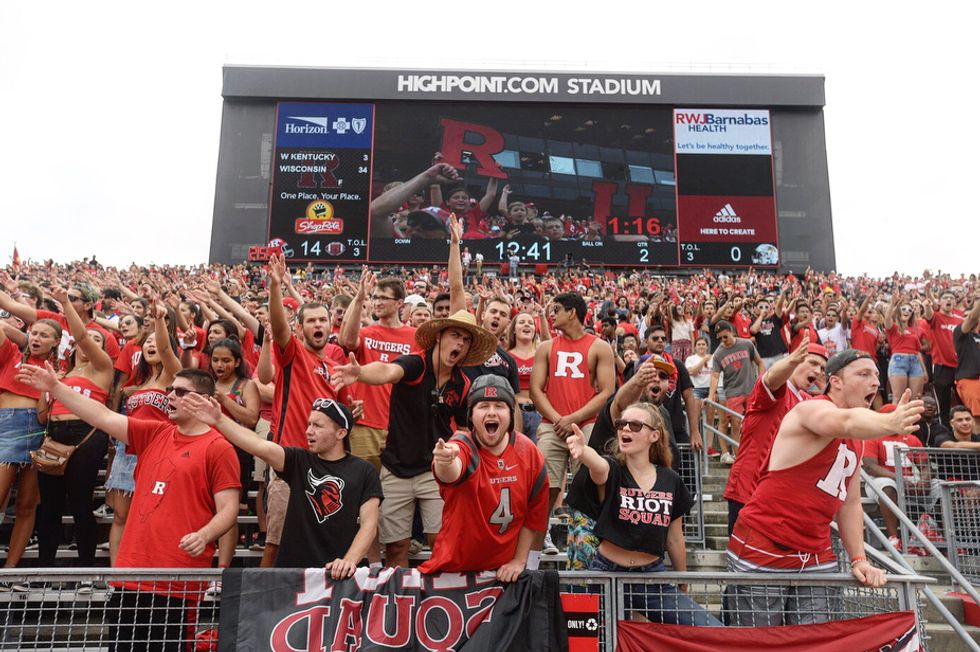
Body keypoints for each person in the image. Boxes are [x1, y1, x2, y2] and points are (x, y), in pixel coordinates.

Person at [17, 365, 239, 652]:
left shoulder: (218, 448)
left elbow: (229, 509)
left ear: (207, 401)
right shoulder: (155, 432)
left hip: (177, 580)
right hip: (130, 574)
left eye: (181, 392)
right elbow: (102, 415)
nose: (170, 396)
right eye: (169, 389)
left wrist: (205, 534)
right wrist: (57, 388)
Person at [726, 349, 922, 626]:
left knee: (816, 639)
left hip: (816, 551)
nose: (875, 382)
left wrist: (858, 558)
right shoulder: (811, 408)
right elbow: (845, 422)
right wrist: (889, 422)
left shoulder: (858, 439)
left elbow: (850, 502)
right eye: (863, 374)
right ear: (836, 381)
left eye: (877, 375)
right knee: (758, 641)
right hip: (766, 542)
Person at [331, 310, 497, 568]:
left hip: (435, 470)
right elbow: (387, 371)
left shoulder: (462, 384)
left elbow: (464, 428)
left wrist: (462, 453)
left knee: (440, 540)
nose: (460, 344)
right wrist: (360, 373)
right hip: (397, 467)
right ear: (439, 337)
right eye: (455, 336)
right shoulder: (416, 364)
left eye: (466, 340)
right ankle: (400, 602)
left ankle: (436, 601)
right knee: (396, 547)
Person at [185, 393, 382, 574]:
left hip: (335, 574)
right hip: (291, 574)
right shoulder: (299, 460)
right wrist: (219, 420)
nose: (308, 431)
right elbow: (260, 446)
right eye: (309, 424)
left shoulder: (364, 470)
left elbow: (369, 524)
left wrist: (348, 561)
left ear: (341, 433)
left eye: (318, 426)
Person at [566, 402, 721, 626]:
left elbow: (675, 538)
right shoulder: (613, 469)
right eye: (621, 424)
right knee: (598, 642)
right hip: (606, 573)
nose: (626, 429)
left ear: (654, 435)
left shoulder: (671, 480)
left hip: (652, 578)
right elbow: (598, 468)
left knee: (709, 628)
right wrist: (583, 451)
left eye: (636, 425)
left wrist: (682, 580)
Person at [263, 253, 352, 567]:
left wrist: (356, 409)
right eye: (311, 320)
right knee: (275, 544)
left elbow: (345, 413)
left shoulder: (336, 366)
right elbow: (277, 325)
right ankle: (261, 613)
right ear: (299, 328)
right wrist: (276, 287)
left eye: (322, 320)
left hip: (326, 470)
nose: (318, 324)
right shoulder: (293, 355)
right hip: (289, 463)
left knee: (324, 548)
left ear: (330, 326)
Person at [420, 375, 549, 580]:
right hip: (455, 570)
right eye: (483, 406)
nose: (491, 412)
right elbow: (453, 468)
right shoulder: (462, 444)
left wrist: (519, 560)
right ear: (471, 415)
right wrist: (445, 461)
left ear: (511, 414)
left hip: (501, 574)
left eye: (499, 405)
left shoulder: (530, 454)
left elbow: (533, 518)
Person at [35, 288, 113, 581]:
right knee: (50, 506)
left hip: (86, 435)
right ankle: (44, 568)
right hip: (54, 435)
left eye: (97, 340)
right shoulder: (61, 374)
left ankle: (85, 570)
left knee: (80, 503)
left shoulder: (102, 369)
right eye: (86, 340)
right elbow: (42, 416)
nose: (88, 343)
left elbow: (81, 336)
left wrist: (66, 303)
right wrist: (46, 389)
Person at [530, 292, 615, 561]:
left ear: (572, 312)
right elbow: (535, 390)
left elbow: (606, 393)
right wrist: (559, 419)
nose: (551, 314)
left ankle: (585, 545)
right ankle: (534, 547)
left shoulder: (599, 346)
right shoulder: (546, 347)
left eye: (556, 310)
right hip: (552, 424)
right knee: (544, 486)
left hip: (587, 424)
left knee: (587, 484)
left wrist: (573, 418)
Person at [723, 334, 828, 535]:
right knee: (743, 558)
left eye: (822, 368)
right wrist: (792, 360)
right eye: (812, 362)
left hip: (780, 495)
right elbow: (771, 379)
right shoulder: (779, 387)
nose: (817, 370)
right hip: (750, 489)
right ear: (794, 359)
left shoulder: (807, 400)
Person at [0, 310, 60, 580]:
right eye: (34, 333)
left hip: (38, 429)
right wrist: (22, 336)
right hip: (7, 425)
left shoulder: (57, 370)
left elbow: (46, 412)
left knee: (26, 505)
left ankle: (9, 572)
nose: (36, 338)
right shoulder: (12, 353)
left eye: (44, 335)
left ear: (56, 341)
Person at [862, 404, 928, 551]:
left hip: (908, 478)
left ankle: (939, 536)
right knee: (888, 488)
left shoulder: (912, 439)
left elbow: (925, 466)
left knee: (943, 487)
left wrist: (924, 480)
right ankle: (893, 538)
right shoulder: (872, 437)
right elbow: (870, 467)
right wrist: (899, 478)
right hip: (880, 479)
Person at [707, 320, 765, 464]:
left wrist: (761, 381)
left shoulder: (746, 344)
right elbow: (715, 375)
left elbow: (760, 362)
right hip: (732, 391)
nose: (723, 341)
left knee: (756, 421)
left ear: (732, 332)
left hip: (751, 389)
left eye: (725, 337)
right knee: (735, 422)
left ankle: (756, 452)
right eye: (720, 338)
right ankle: (738, 455)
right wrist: (710, 395)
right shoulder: (719, 353)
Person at [883, 293, 927, 401]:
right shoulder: (893, 327)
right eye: (904, 309)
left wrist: (924, 370)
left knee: (915, 399)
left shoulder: (915, 329)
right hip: (899, 360)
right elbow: (887, 318)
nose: (907, 311)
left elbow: (917, 352)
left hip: (915, 362)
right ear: (899, 311)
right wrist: (893, 304)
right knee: (898, 398)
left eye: (910, 310)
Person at [953, 296, 980, 434]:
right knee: (976, 418)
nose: (968, 318)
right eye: (964, 316)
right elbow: (971, 319)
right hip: (970, 380)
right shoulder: (960, 333)